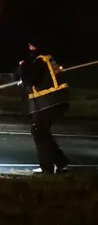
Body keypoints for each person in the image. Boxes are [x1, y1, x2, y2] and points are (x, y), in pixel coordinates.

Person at [19, 40, 70, 174]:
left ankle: (47, 169)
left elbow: (29, 81)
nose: (29, 48)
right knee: (42, 133)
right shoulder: (49, 59)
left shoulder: (40, 61)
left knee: (39, 132)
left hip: (47, 102)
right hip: (57, 100)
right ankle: (60, 162)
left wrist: (23, 67)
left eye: (31, 45)